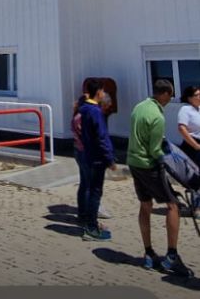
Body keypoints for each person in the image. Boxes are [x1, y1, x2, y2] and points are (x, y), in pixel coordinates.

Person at [127, 79, 193, 277]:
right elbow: (155, 149)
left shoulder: (139, 107)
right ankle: (171, 255)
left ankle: (148, 253)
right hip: (148, 166)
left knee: (145, 205)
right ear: (163, 93)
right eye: (170, 95)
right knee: (173, 206)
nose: (170, 99)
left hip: (133, 161)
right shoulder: (157, 116)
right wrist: (173, 165)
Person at [78, 79, 116, 240]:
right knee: (95, 192)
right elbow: (102, 137)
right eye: (102, 91)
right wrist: (109, 158)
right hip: (97, 157)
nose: (104, 94)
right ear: (98, 92)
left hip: (87, 154)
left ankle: (87, 221)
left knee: (89, 188)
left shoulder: (84, 109)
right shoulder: (95, 112)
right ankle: (91, 228)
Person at [71, 94, 89, 227]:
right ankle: (87, 217)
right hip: (85, 152)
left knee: (84, 184)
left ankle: (83, 214)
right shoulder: (81, 118)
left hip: (78, 150)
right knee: (88, 185)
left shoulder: (77, 116)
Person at [177, 85, 200, 168]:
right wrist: (196, 146)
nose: (199, 97)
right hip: (192, 146)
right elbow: (181, 128)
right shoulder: (185, 109)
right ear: (189, 98)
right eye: (197, 95)